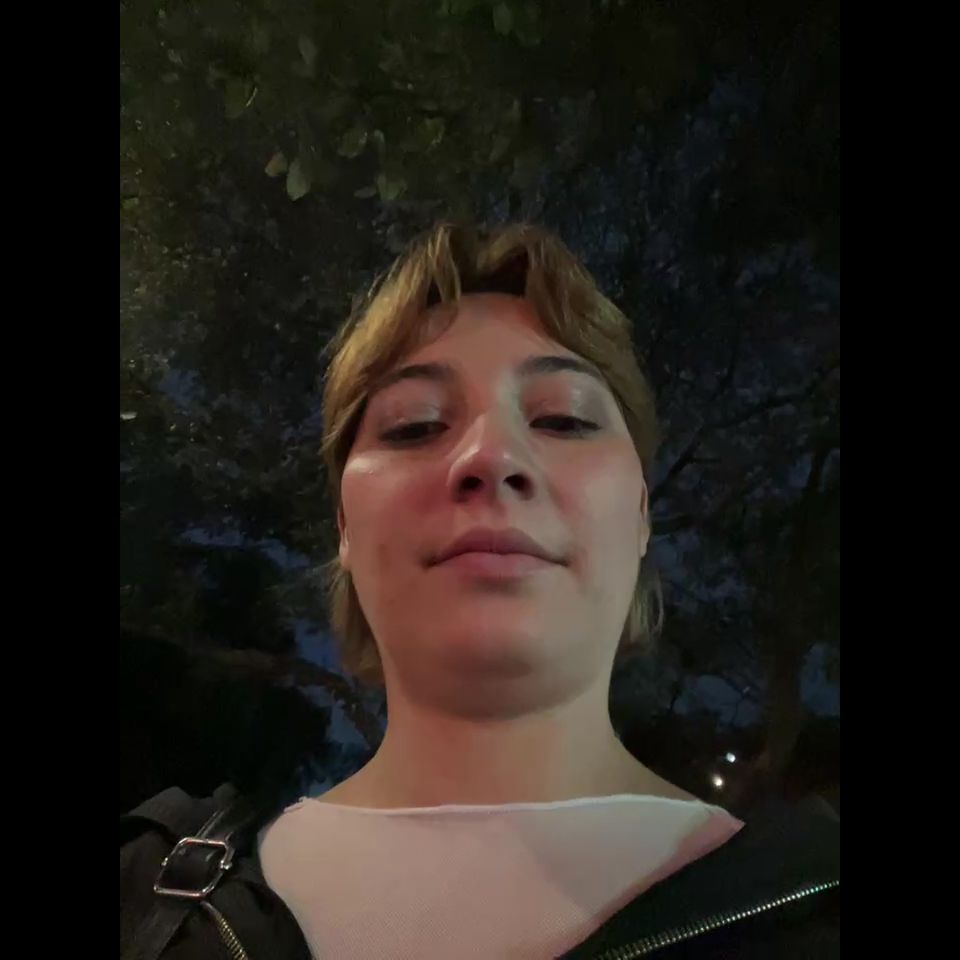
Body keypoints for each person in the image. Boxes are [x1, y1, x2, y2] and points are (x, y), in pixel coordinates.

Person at [121, 222, 838, 959]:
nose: (491, 455)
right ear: (344, 527)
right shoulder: (144, 900)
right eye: (414, 426)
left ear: (641, 516)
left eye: (563, 418)